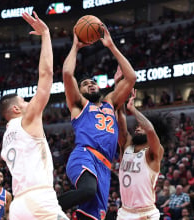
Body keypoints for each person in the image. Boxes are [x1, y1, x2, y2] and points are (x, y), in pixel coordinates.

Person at [58, 23, 137, 220]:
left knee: (92, 216)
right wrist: (75, 46)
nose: (90, 84)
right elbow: (67, 74)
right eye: (85, 84)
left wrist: (111, 46)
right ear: (81, 91)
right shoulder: (79, 105)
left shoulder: (110, 102)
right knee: (87, 191)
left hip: (104, 166)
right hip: (84, 155)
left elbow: (132, 77)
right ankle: (42, 207)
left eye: (93, 82)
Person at [0, 11, 69, 220]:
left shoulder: (6, 136)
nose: (29, 103)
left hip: (19, 206)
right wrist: (46, 34)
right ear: (16, 110)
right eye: (24, 101)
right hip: (39, 199)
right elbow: (46, 76)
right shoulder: (27, 120)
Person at [116, 88, 176, 220]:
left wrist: (133, 109)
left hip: (145, 214)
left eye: (141, 127)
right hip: (124, 212)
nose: (138, 127)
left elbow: (149, 128)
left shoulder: (154, 152)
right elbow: (120, 121)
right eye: (137, 126)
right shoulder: (127, 146)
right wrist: (119, 89)